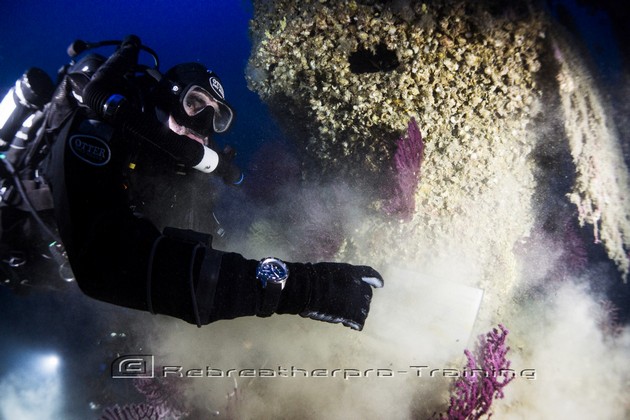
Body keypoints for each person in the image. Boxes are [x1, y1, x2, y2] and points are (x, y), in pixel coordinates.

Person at [0, 35, 383, 330]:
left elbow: (203, 264)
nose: (202, 126)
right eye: (195, 104)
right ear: (167, 98)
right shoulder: (96, 133)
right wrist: (300, 287)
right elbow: (108, 266)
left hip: (46, 274)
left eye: (216, 119)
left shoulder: (184, 180)